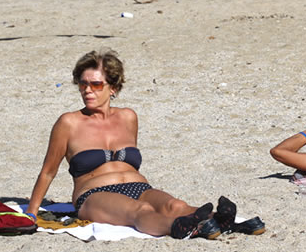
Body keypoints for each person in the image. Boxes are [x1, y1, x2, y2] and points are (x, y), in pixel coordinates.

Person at [25, 49, 264, 239]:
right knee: (141, 212)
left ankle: (225, 222)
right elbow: (48, 171)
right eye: (83, 84)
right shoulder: (69, 122)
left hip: (139, 187)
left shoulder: (128, 117)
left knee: (175, 204)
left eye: (96, 84)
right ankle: (181, 227)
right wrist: (31, 214)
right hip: (94, 195)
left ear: (113, 88)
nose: (87, 90)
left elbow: (131, 165)